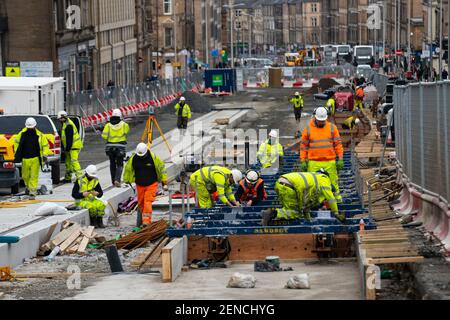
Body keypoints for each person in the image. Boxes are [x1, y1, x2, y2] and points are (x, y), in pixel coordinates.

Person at [261, 170, 345, 225]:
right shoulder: (324, 180)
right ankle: (272, 213)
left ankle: (271, 220)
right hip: (289, 187)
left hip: (280, 184)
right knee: (294, 212)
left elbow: (305, 207)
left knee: (289, 209)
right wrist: (336, 213)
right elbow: (331, 198)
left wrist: (308, 220)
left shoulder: (312, 180)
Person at [300, 107, 344, 203]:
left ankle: (336, 201)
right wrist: (303, 160)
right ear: (315, 118)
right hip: (313, 161)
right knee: (312, 183)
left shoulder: (332, 128)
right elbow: (303, 147)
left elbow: (338, 144)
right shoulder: (308, 129)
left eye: (323, 120)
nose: (321, 122)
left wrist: (340, 158)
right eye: (320, 121)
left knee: (333, 182)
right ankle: (312, 201)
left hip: (329, 161)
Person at [123, 143, 168, 226]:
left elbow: (162, 169)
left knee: (147, 202)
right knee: (140, 203)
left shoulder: (153, 158)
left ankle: (146, 221)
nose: (141, 157)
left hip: (151, 184)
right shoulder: (133, 159)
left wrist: (164, 181)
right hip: (139, 184)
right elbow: (128, 169)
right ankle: (142, 221)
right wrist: (126, 179)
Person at [14, 118, 52, 199]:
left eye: (31, 127)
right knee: (25, 176)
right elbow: (16, 144)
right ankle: (28, 187)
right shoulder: (21, 134)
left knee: (34, 176)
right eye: (29, 127)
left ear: (35, 126)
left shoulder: (40, 135)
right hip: (25, 158)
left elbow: (45, 146)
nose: (30, 128)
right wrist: (17, 154)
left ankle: (32, 192)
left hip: (36, 159)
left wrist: (45, 155)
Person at [102, 109, 130, 187]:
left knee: (112, 163)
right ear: (120, 116)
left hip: (110, 147)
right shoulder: (124, 125)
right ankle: (117, 180)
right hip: (120, 147)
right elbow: (126, 132)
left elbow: (104, 136)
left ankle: (113, 181)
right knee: (120, 164)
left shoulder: (108, 125)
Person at [57, 111, 84, 182]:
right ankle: (68, 178)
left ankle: (80, 177)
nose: (59, 120)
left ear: (63, 118)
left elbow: (69, 138)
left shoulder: (68, 125)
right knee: (68, 162)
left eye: (60, 119)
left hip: (73, 147)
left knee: (74, 161)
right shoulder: (65, 124)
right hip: (70, 147)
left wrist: (67, 148)